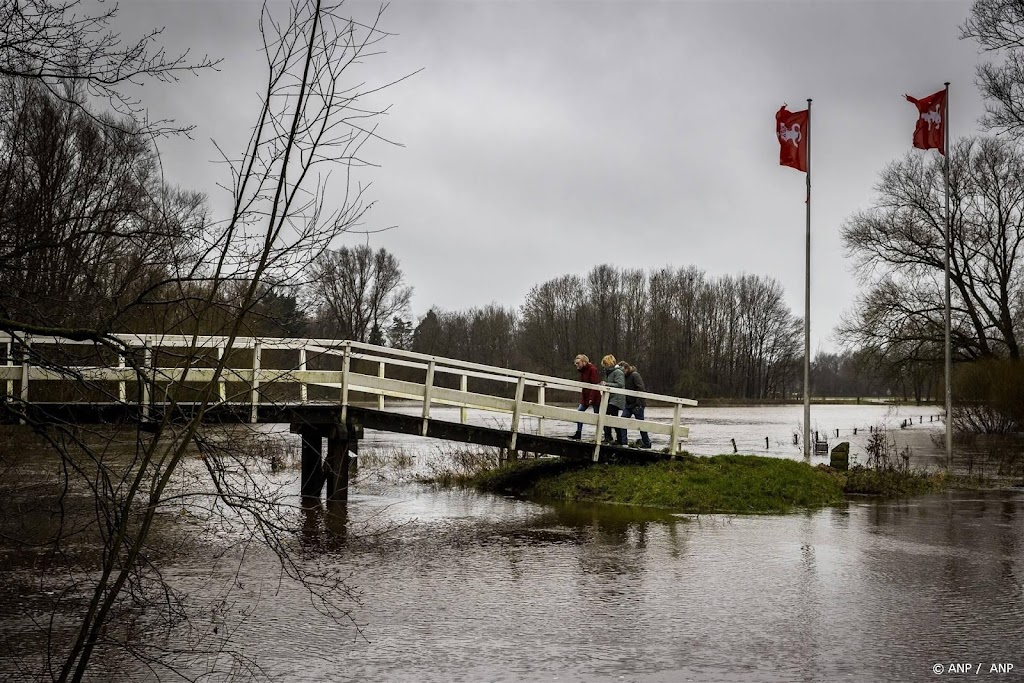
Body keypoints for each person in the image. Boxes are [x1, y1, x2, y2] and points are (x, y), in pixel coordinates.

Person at [620, 361, 652, 449]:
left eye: (623, 370)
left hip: (637, 404)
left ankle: (646, 443)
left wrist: (638, 403)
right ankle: (624, 442)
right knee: (622, 421)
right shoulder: (623, 377)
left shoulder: (635, 375)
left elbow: (641, 388)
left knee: (640, 425)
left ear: (626, 368)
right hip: (628, 404)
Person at [570, 354, 600, 439]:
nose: (577, 365)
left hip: (594, 396)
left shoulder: (592, 369)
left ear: (584, 362)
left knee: (598, 417)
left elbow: (594, 385)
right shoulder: (583, 371)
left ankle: (603, 435)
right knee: (579, 412)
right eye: (576, 363)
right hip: (586, 395)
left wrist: (591, 398)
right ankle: (578, 433)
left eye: (578, 363)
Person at [600, 354, 627, 445]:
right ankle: (618, 439)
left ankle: (610, 437)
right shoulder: (609, 373)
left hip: (617, 398)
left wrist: (607, 384)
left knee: (606, 414)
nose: (604, 366)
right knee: (613, 418)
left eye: (605, 364)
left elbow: (620, 384)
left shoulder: (617, 372)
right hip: (611, 398)